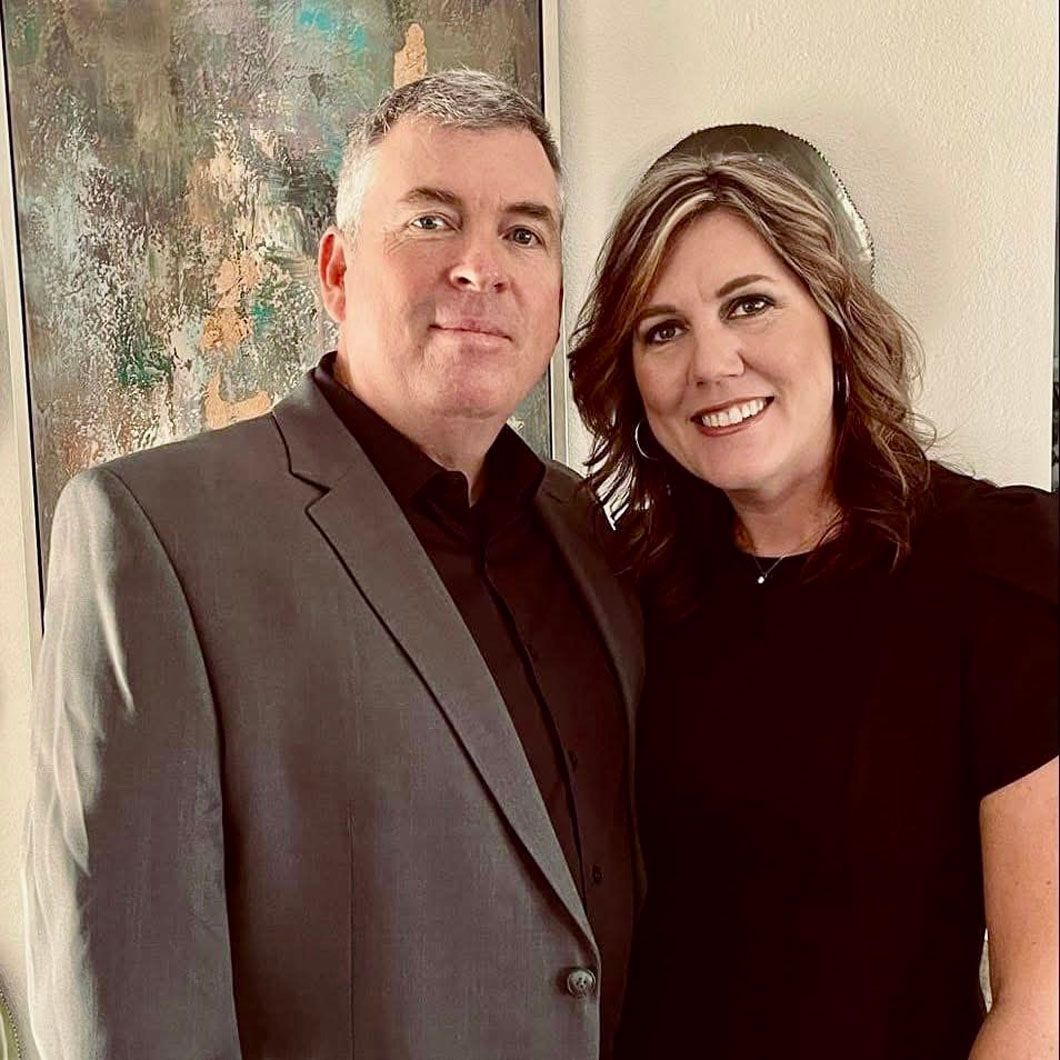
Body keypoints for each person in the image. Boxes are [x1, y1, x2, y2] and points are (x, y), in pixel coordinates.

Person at [24, 70, 642, 1059]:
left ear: (555, 292)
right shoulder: (156, 531)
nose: (481, 267)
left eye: (523, 232)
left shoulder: (589, 534)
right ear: (338, 271)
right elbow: (130, 1007)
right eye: (434, 221)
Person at [568, 146, 1058, 1058]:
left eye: (749, 304)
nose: (712, 363)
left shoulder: (999, 566)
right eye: (661, 330)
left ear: (835, 319)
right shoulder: (629, 588)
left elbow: (1043, 1004)